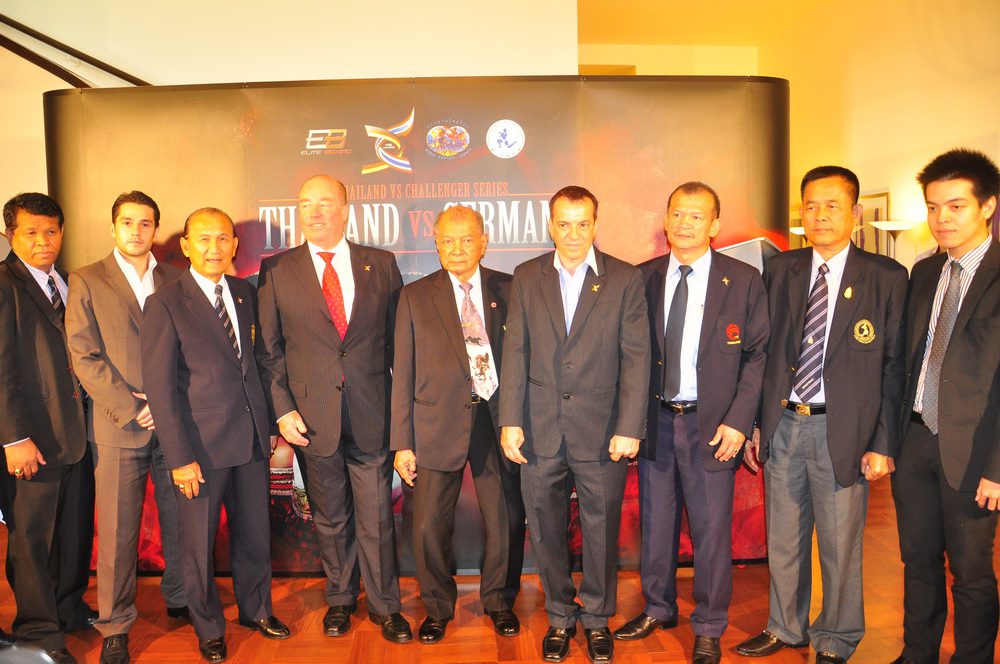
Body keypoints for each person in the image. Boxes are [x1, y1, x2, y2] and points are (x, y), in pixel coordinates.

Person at [739, 166, 907, 663]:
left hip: (844, 430)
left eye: (832, 205)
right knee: (783, 540)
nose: (820, 215)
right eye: (810, 206)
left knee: (839, 544)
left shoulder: (886, 277)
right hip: (785, 424)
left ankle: (836, 637)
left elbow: (894, 366)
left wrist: (883, 443)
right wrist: (757, 424)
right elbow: (765, 353)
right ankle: (785, 627)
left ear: (856, 213)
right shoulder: (782, 270)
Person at [614, 182, 768, 663]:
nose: (684, 223)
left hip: (714, 426)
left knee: (710, 531)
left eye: (697, 216)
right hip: (657, 423)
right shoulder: (642, 278)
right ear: (666, 220)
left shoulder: (742, 279)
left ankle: (709, 624)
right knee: (656, 525)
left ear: (714, 224)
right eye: (677, 214)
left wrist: (739, 421)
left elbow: (757, 355)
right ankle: (658, 608)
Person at [255, 175, 410, 642]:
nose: (315, 211)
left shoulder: (380, 264)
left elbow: (399, 347)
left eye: (325, 202)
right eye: (306, 203)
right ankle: (341, 599)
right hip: (310, 418)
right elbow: (269, 350)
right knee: (331, 517)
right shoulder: (277, 269)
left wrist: (401, 414)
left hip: (372, 413)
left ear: (345, 210)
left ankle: (385, 606)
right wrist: (283, 409)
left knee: (377, 516)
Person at [499, 186, 649, 664]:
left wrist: (630, 425)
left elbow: (636, 357)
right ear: (551, 226)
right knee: (545, 529)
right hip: (539, 429)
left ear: (596, 225)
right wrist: (510, 420)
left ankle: (598, 618)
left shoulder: (625, 278)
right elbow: (515, 351)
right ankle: (561, 617)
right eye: (563, 224)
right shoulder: (527, 277)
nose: (573, 233)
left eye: (582, 224)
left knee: (600, 530)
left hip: (603, 432)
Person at [141, 208, 289, 663]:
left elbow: (257, 368)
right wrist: (179, 457)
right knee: (198, 547)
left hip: (250, 441)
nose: (214, 248)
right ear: (186, 246)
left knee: (254, 535)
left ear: (234, 246)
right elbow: (160, 389)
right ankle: (208, 627)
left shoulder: (245, 293)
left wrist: (268, 428)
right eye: (203, 239)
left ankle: (256, 610)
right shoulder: (165, 302)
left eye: (223, 238)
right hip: (199, 450)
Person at [390, 205, 525, 644]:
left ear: (483, 243)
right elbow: (402, 373)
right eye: (447, 240)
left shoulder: (511, 289)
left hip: (497, 421)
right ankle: (437, 608)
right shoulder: (414, 296)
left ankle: (499, 602)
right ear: (436, 244)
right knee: (428, 525)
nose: (457, 249)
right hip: (435, 423)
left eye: (467, 240)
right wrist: (402, 442)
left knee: (505, 519)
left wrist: (519, 419)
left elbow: (526, 360)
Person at [65, 190, 188, 664]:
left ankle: (181, 596)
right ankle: (115, 624)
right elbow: (84, 354)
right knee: (117, 531)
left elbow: (191, 348)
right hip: (119, 424)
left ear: (156, 229)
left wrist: (167, 402)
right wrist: (133, 406)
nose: (136, 231)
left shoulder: (177, 278)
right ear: (113, 227)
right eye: (128, 222)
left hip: (174, 421)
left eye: (145, 223)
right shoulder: (87, 279)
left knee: (182, 518)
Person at [891, 148, 1000, 664]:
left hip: (975, 451)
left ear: (988, 206)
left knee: (971, 572)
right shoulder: (925, 272)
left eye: (956, 206)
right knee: (917, 561)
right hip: (914, 440)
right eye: (933, 208)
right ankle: (918, 655)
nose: (942, 219)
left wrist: (998, 467)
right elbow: (906, 359)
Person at [0, 193, 94, 664]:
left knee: (73, 530)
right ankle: (37, 631)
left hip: (75, 433)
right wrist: (13, 438)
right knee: (33, 538)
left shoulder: (67, 281)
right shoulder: (3, 284)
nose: (44, 241)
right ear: (9, 235)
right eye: (32, 233)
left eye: (52, 231)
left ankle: (68, 608)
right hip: (30, 438)